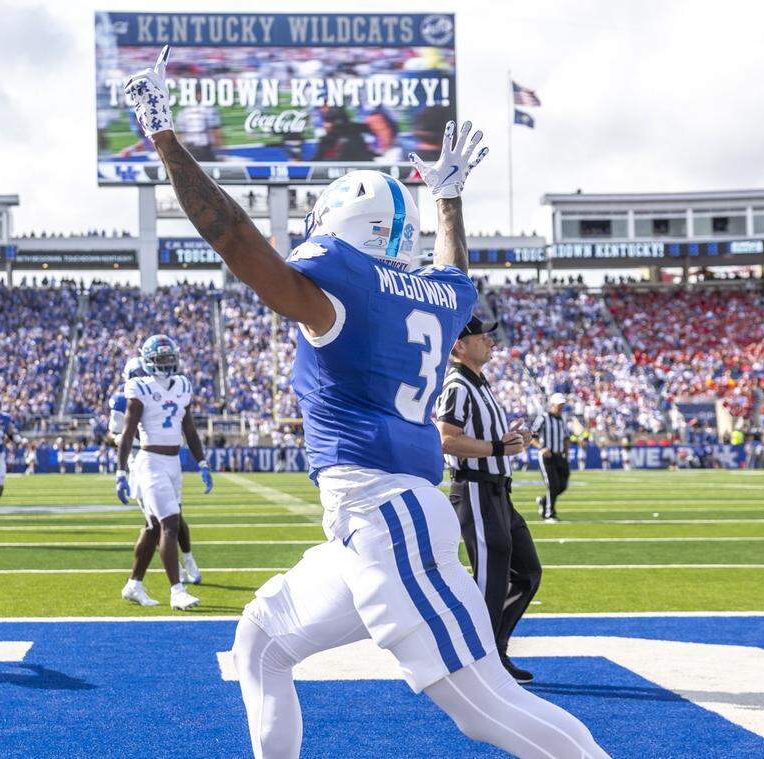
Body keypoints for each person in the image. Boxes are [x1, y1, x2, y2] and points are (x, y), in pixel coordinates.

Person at [124, 46, 607, 759]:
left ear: (336, 224)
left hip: (387, 517)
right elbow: (454, 273)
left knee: (489, 708)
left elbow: (234, 237)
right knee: (260, 641)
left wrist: (164, 137)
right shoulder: (433, 298)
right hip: (371, 522)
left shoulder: (333, 297)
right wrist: (448, 197)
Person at [437, 316, 541, 683]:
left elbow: (482, 440)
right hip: (476, 488)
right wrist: (498, 446)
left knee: (526, 572)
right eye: (483, 337)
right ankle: (477, 664)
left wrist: (510, 439)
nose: (491, 343)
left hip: (497, 490)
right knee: (490, 579)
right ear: (459, 346)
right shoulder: (458, 385)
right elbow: (447, 439)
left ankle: (493, 650)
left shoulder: (479, 384)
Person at [115, 336, 212, 611]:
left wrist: (202, 462)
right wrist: (121, 471)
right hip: (150, 462)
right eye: (161, 359)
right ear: (147, 361)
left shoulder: (182, 385)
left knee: (154, 526)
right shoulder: (139, 386)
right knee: (170, 523)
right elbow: (128, 431)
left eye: (170, 358)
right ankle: (176, 590)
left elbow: (189, 429)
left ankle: (134, 584)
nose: (167, 364)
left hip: (173, 464)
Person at [532, 393, 571, 522]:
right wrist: (541, 448)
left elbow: (566, 437)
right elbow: (532, 436)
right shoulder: (543, 418)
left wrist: (566, 453)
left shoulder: (562, 419)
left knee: (563, 485)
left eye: (562, 405)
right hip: (547, 456)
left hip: (560, 455)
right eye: (559, 405)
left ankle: (544, 501)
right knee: (553, 484)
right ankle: (549, 514)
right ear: (552, 405)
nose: (561, 407)